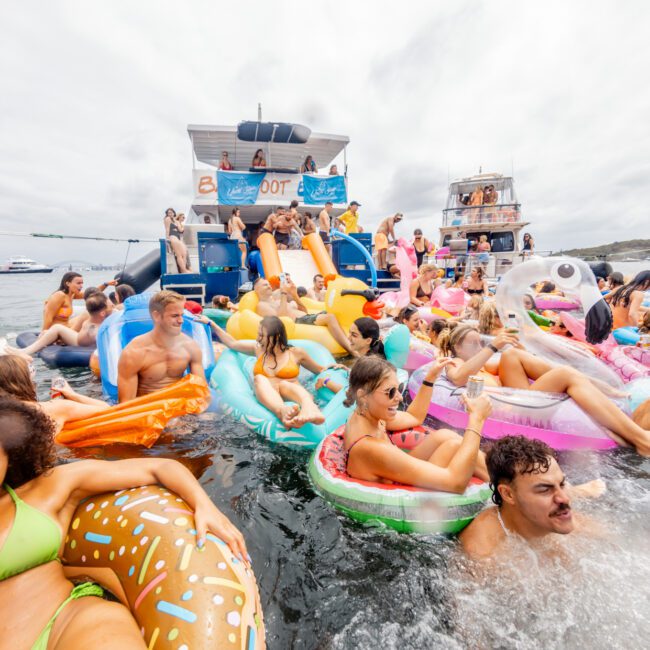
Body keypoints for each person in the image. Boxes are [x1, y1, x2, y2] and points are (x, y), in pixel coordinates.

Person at [0, 396, 247, 649]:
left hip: (67, 623)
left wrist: (204, 504)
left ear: (11, 457)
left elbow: (159, 467)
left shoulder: (44, 490)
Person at [439, 324, 650, 455]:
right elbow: (458, 378)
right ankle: (641, 439)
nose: (480, 348)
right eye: (473, 344)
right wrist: (491, 347)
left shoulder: (485, 364)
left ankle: (597, 387)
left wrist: (516, 350)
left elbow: (512, 362)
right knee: (565, 375)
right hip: (509, 411)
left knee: (511, 355)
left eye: (480, 343)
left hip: (522, 400)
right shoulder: (453, 362)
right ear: (458, 347)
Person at [342, 356, 492, 491]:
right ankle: (498, 484)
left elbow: (414, 416)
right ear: (363, 396)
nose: (400, 398)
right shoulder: (368, 447)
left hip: (394, 475)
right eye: (390, 392)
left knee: (446, 437)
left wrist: (431, 378)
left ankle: (497, 476)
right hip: (407, 498)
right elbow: (455, 483)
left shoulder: (370, 416)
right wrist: (477, 419)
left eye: (399, 388)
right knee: (455, 447)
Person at [459, 435, 605, 559]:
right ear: (508, 494)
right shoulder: (485, 555)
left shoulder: (569, 522)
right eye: (544, 490)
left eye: (561, 484)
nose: (565, 499)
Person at [200, 315, 344, 428]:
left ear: (276, 336)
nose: (258, 339)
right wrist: (211, 323)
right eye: (258, 334)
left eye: (262, 335)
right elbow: (232, 343)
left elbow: (320, 369)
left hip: (293, 395)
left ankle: (310, 408)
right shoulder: (258, 349)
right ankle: (281, 411)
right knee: (259, 379)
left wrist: (339, 367)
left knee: (286, 385)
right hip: (270, 398)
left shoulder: (296, 353)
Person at [117, 290, 205, 401]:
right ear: (156, 316)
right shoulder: (134, 352)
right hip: (148, 410)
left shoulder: (190, 346)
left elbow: (201, 392)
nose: (181, 320)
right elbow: (126, 404)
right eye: (175, 316)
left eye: (182, 315)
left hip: (179, 408)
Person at [0, 354, 109, 432]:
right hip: (48, 462)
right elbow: (106, 410)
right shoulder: (54, 409)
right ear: (27, 382)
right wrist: (72, 395)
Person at [252, 278, 356, 356]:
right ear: (256, 290)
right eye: (265, 285)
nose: (269, 286)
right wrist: (283, 293)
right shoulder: (262, 305)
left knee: (336, 311)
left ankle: (354, 340)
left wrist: (294, 294)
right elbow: (280, 320)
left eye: (269, 284)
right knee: (330, 317)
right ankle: (352, 350)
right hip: (299, 321)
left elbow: (303, 310)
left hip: (306, 317)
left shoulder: (278, 301)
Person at [7, 294, 112, 358]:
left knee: (57, 328)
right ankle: (27, 351)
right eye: (110, 306)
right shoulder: (95, 324)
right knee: (57, 327)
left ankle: (27, 350)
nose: (112, 307)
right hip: (78, 340)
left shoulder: (98, 324)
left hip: (81, 344)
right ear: (102, 313)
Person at [164, 208, 190, 273]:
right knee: (179, 254)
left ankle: (182, 270)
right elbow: (167, 229)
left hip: (177, 237)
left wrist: (181, 224)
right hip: (172, 236)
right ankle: (184, 270)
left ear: (174, 213)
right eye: (168, 213)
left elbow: (180, 230)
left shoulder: (175, 221)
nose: (170, 214)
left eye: (171, 212)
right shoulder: (167, 219)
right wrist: (167, 238)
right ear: (167, 214)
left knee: (184, 253)